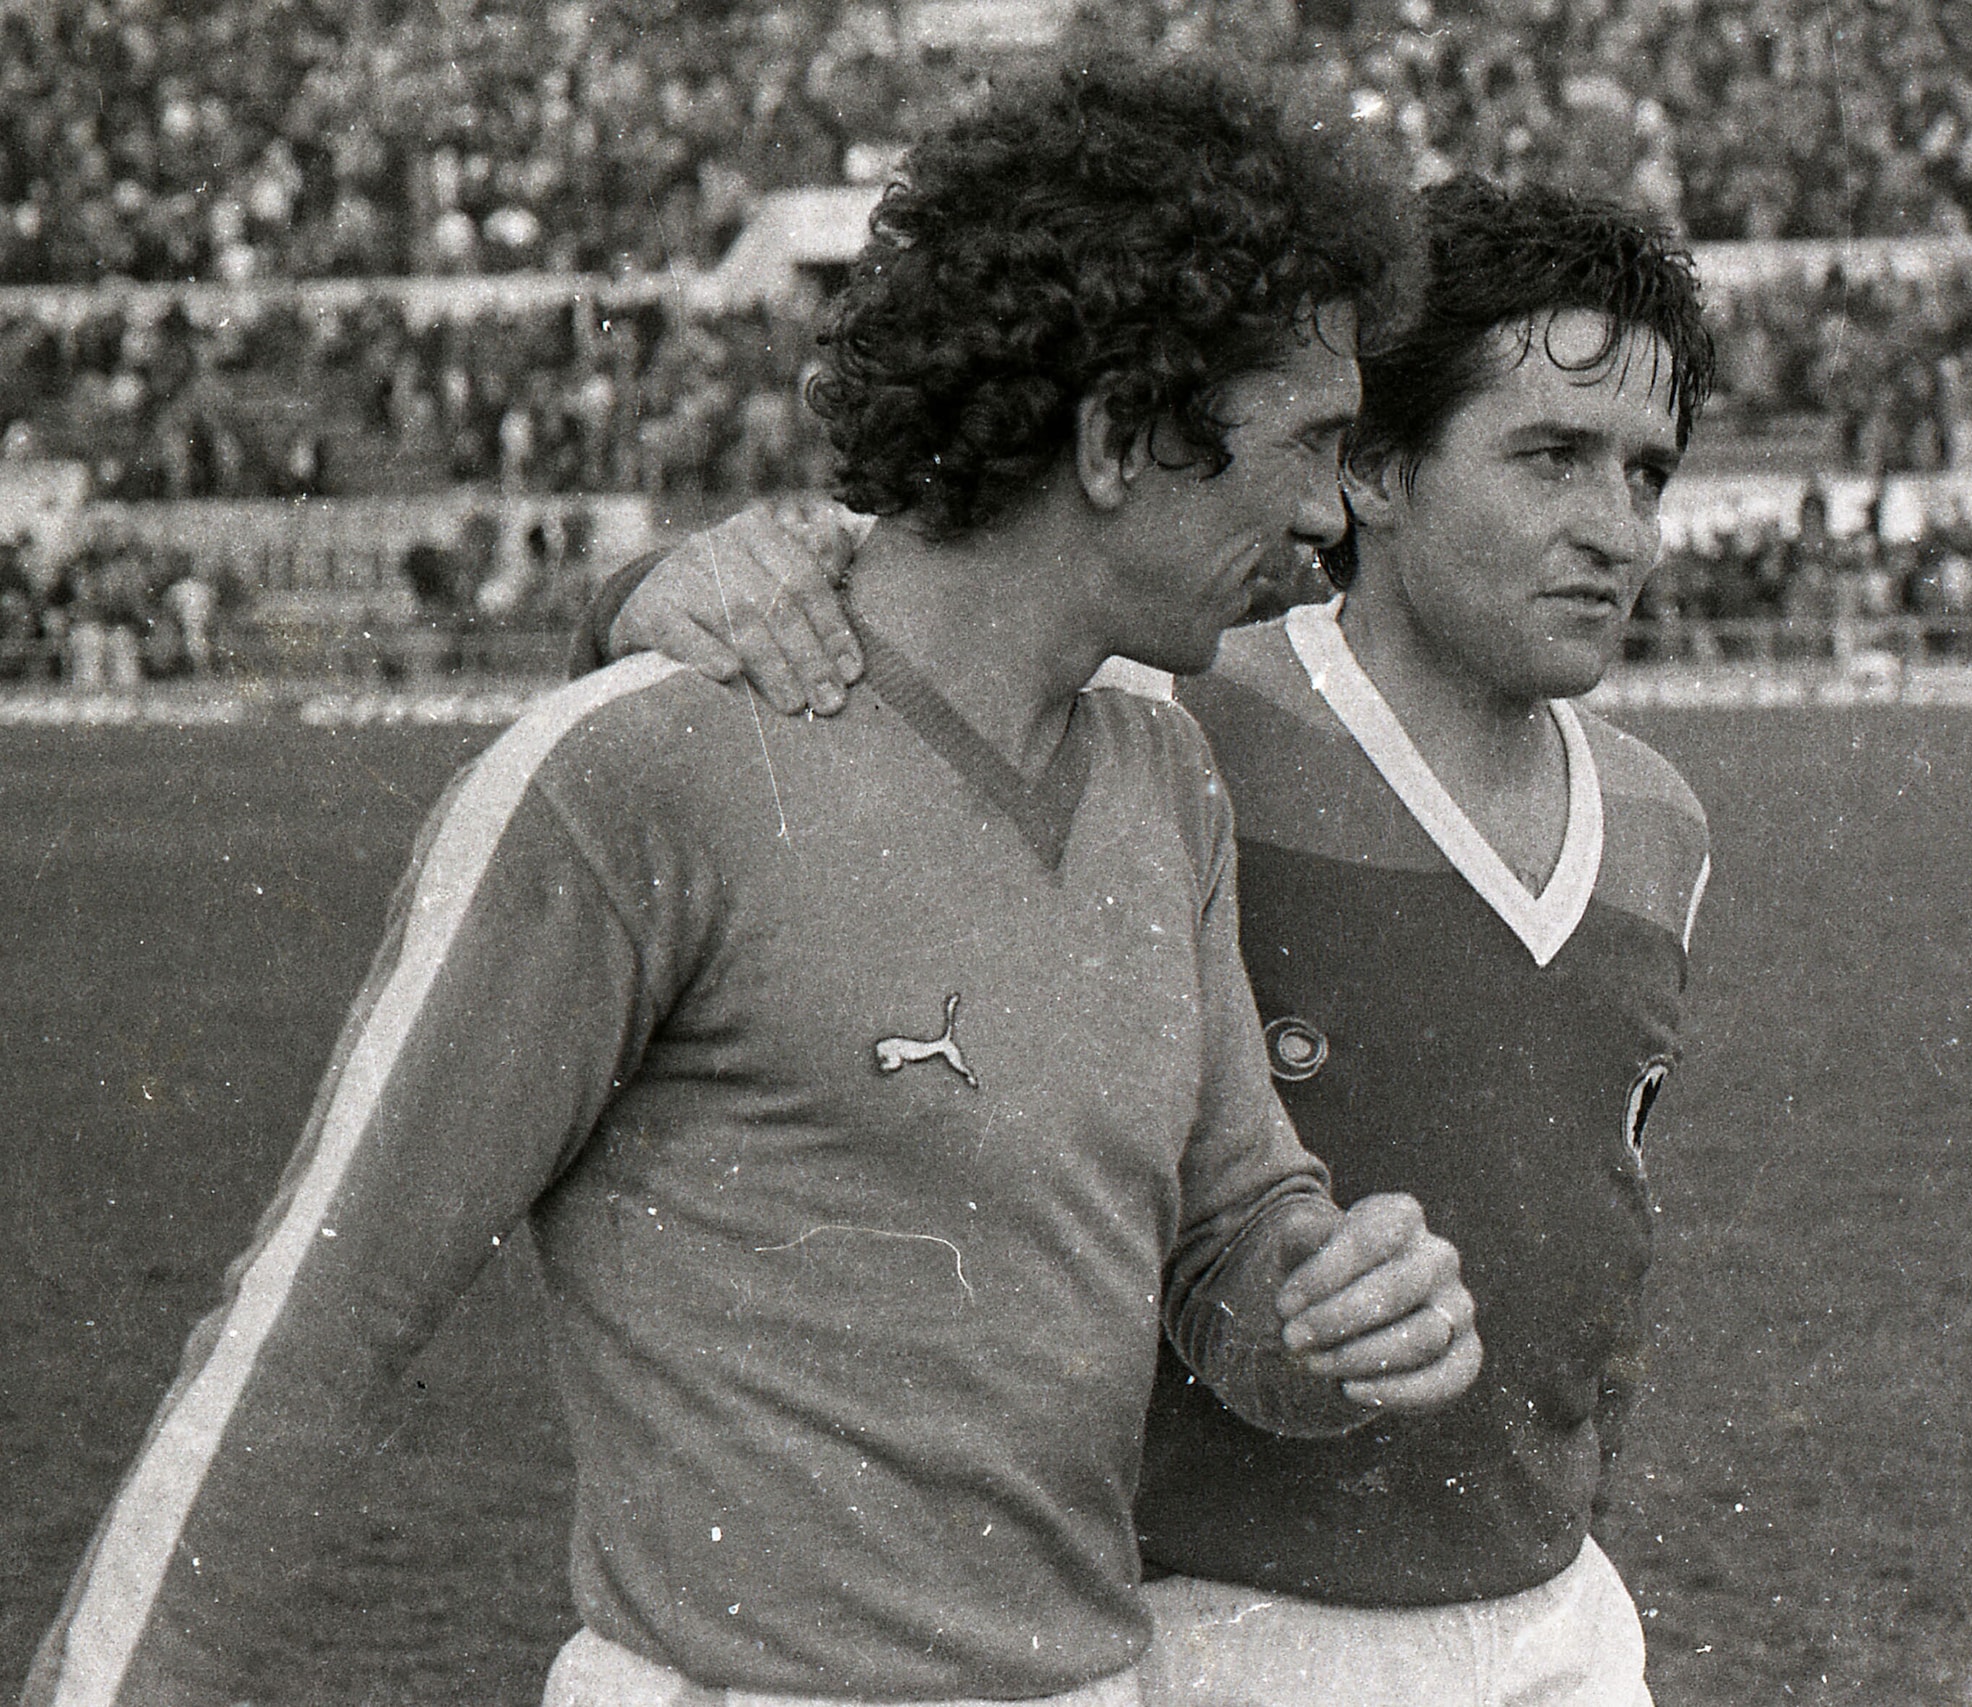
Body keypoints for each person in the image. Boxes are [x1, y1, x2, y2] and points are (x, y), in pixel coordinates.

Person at [25, 62, 1487, 1707]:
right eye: (1308, 444)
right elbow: (317, 1328)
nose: (1328, 515)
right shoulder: (638, 773)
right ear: (1113, 438)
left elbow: (1230, 1241)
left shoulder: (1166, 781)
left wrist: (1330, 1310)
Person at [587, 174, 1715, 1707]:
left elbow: (1588, 1237)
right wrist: (644, 589)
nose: (1617, 529)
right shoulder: (1172, 722)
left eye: (1648, 473)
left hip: (1557, 1623)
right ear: (1372, 468)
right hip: (1209, 1619)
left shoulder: (1660, 827)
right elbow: (910, 613)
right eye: (1552, 458)